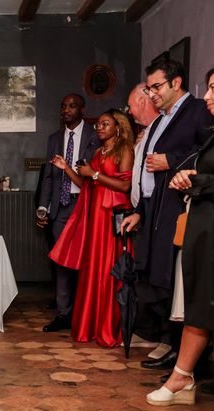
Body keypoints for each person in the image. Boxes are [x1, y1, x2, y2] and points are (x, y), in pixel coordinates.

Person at [121, 59, 213, 369]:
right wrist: (141, 212)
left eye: (156, 87)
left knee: (177, 282)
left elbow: (206, 154)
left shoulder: (197, 111)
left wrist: (170, 160)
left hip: (182, 211)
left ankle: (182, 355)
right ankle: (170, 344)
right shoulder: (163, 118)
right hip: (157, 209)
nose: (152, 94)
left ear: (176, 83)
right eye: (148, 88)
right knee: (160, 280)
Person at [145, 66, 214, 411]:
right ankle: (181, 378)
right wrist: (188, 175)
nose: (208, 96)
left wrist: (190, 174)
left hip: (210, 225)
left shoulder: (200, 120)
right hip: (202, 227)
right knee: (197, 305)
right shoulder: (213, 131)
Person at [49, 110, 134, 347]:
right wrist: (67, 168)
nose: (99, 127)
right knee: (93, 269)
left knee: (108, 269)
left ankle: (108, 327)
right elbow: (86, 184)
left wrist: (94, 174)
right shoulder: (98, 151)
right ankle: (91, 325)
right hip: (95, 215)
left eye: (105, 124)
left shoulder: (124, 149)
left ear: (118, 127)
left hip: (111, 215)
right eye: (98, 124)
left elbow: (125, 185)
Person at [36, 94, 99, 333]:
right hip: (60, 207)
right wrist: (43, 207)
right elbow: (49, 177)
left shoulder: (95, 135)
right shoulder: (54, 138)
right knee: (61, 261)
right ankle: (63, 314)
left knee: (84, 260)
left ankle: (84, 314)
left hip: (84, 203)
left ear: (82, 109)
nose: (66, 110)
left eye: (72, 106)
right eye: (63, 106)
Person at [124, 83, 162, 350]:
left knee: (154, 275)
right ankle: (147, 330)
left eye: (131, 104)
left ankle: (160, 336)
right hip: (142, 212)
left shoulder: (160, 128)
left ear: (142, 101)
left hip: (156, 210)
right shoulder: (145, 133)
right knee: (142, 273)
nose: (129, 110)